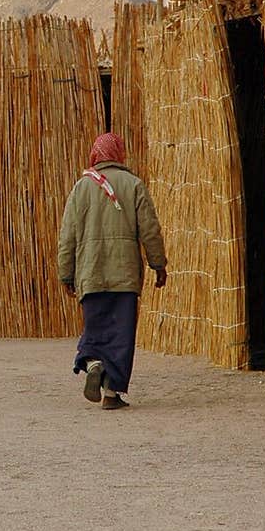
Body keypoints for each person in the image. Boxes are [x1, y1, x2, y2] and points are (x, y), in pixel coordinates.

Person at [58, 132, 167, 410]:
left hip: (90, 273)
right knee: (121, 334)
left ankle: (93, 361)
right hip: (125, 276)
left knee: (95, 327)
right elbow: (150, 230)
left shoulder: (80, 188)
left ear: (96, 155)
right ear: (119, 154)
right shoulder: (133, 185)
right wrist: (158, 264)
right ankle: (111, 393)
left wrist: (66, 273)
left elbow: (67, 236)